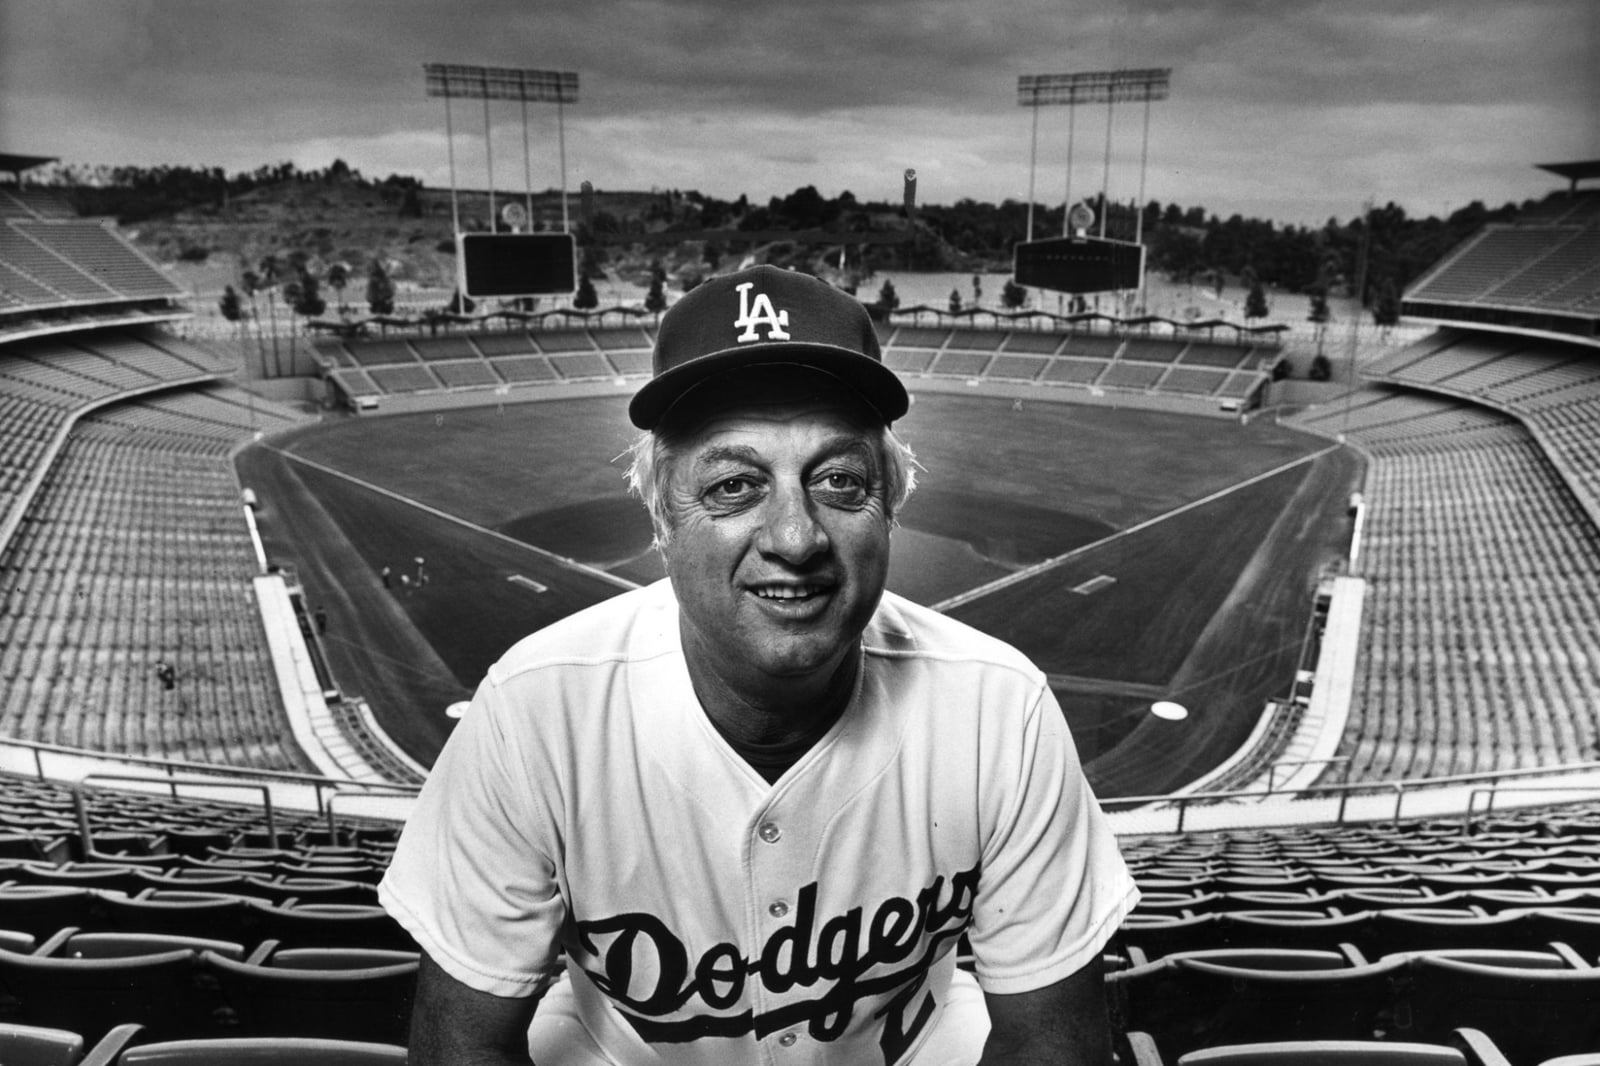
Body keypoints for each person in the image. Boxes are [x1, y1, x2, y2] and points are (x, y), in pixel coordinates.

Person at [379, 265, 1137, 1065]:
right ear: (661, 520)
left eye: (840, 481)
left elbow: (1052, 1048)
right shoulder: (533, 709)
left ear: (892, 508)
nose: (796, 537)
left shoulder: (1000, 708)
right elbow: (461, 1049)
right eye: (735, 486)